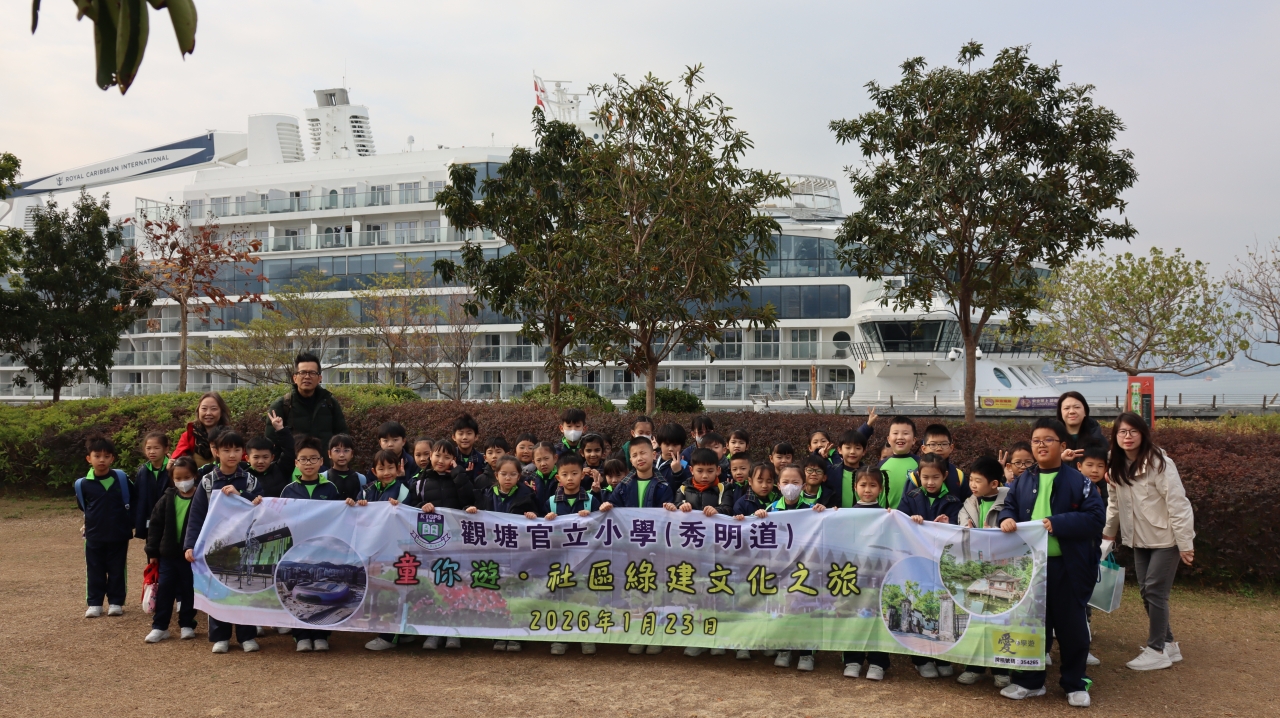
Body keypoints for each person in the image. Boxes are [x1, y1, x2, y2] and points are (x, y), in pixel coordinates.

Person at [999, 418, 1104, 708]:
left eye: (1048, 440)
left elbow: (1096, 518)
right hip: (1031, 567)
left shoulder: (1079, 481)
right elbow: (1008, 507)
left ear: (1062, 445)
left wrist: (1058, 523)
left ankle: (1075, 683)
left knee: (1072, 629)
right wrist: (1005, 518)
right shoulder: (1023, 480)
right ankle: (1029, 682)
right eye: (1036, 440)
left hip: (1068, 567)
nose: (1041, 445)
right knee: (1031, 626)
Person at [1103, 412, 1195, 671]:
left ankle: (1156, 650)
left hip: (1166, 538)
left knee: (1155, 591)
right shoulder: (1115, 463)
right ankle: (1168, 644)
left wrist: (1185, 543)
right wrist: (1109, 533)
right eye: (1122, 432)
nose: (1128, 436)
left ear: (1143, 434)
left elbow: (1178, 503)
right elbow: (1114, 503)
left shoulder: (1160, 463)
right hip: (1138, 538)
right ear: (1116, 436)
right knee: (1147, 591)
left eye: (1133, 431)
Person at [183, 429, 263, 654]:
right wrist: (190, 545)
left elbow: (261, 507)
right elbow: (196, 515)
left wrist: (241, 495)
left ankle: (247, 636)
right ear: (216, 452)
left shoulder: (250, 480)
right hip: (215, 545)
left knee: (245, 588)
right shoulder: (207, 481)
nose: (232, 455)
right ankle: (221, 636)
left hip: (245, 544)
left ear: (243, 453)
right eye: (226, 450)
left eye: (237, 450)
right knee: (218, 589)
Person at [599, 436, 673, 656]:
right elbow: (613, 505)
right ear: (630, 460)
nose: (639, 458)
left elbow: (668, 514)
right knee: (635, 590)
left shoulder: (663, 485)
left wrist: (672, 508)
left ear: (653, 455)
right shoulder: (624, 485)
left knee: (655, 589)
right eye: (634, 455)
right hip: (630, 548)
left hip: (655, 548)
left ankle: (656, 635)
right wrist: (607, 505)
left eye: (643, 453)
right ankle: (638, 634)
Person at [896, 452, 962, 679]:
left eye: (935, 477)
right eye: (925, 477)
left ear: (944, 476)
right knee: (920, 600)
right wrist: (911, 521)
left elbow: (959, 529)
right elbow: (900, 523)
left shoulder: (953, 501)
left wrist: (948, 523)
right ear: (918, 476)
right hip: (917, 561)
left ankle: (942, 657)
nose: (930, 482)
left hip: (942, 562)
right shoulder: (911, 497)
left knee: (942, 602)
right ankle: (921, 659)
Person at [467, 454, 540, 653]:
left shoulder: (527, 495)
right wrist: (470, 510)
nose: (508, 478)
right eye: (504, 474)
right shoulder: (485, 495)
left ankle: (516, 635)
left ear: (519, 476)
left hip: (517, 555)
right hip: (493, 554)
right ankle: (498, 634)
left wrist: (533, 516)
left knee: (516, 593)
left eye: (513, 474)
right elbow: (472, 515)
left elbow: (539, 520)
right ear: (496, 475)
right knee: (496, 593)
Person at [279, 436, 344, 652]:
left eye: (313, 458)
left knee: (320, 594)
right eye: (303, 459)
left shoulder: (331, 488)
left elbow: (340, 517)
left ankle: (321, 635)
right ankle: (301, 636)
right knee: (299, 594)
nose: (308, 463)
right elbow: (281, 520)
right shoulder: (289, 490)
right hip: (297, 551)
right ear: (296, 463)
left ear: (321, 461)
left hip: (323, 550)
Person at [954, 456, 1012, 687]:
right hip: (976, 570)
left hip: (1001, 567)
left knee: (1000, 619)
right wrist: (965, 529)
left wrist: (995, 533)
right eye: (971, 480)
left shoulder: (1009, 501)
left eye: (978, 481)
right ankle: (974, 667)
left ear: (994, 483)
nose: (973, 485)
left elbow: (1016, 528)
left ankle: (1001, 669)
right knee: (975, 618)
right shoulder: (969, 503)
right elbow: (961, 526)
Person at [761, 464, 826, 671]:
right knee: (783, 609)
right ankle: (784, 648)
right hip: (780, 570)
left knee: (806, 609)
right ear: (778, 486)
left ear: (803, 485)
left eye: (795, 482)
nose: (790, 486)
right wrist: (757, 516)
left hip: (806, 570)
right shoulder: (771, 510)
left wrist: (823, 513)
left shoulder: (812, 509)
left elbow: (825, 530)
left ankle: (807, 653)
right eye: (786, 482)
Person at [357, 449, 415, 652]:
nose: (387, 472)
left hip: (396, 550)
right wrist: (358, 504)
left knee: (394, 589)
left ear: (399, 469)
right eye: (381, 468)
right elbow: (357, 516)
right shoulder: (366, 491)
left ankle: (389, 636)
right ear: (374, 471)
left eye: (391, 467)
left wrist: (400, 508)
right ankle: (400, 632)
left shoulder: (404, 491)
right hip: (374, 548)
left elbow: (410, 515)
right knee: (378, 589)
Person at [542, 453, 600, 656]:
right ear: (558, 477)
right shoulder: (551, 502)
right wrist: (547, 519)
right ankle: (561, 637)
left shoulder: (591, 500)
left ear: (582, 475)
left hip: (585, 559)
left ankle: (586, 636)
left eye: (574, 473)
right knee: (561, 597)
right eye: (565, 474)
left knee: (585, 596)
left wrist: (592, 517)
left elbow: (602, 526)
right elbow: (539, 530)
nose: (570, 478)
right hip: (559, 559)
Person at [842, 467, 893, 680]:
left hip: (878, 575)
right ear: (855, 487)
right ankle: (852, 660)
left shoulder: (888, 516)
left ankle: (878, 662)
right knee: (852, 615)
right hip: (853, 574)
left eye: (873, 485)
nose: (867, 490)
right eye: (863, 485)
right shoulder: (845, 514)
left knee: (878, 617)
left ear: (880, 489)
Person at [78, 435, 136, 619]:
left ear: (112, 458)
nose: (101, 460)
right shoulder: (83, 484)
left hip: (119, 533)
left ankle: (116, 602)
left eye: (106, 456)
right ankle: (94, 603)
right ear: (89, 458)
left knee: (117, 569)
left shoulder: (122, 479)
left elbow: (133, 499)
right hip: (94, 534)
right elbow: (84, 506)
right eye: (97, 456)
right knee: (94, 569)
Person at [144, 456, 200, 643]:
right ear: (172, 479)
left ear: (195, 476)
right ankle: (160, 627)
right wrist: (152, 552)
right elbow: (155, 526)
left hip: (191, 557)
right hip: (167, 555)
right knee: (165, 590)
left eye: (187, 477)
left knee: (189, 590)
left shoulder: (201, 499)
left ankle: (187, 624)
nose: (183, 482)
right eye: (178, 478)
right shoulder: (167, 498)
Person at [265, 352, 349, 452]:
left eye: (312, 373)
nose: (307, 377)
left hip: (324, 461)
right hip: (293, 461)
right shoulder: (282, 405)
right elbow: (271, 445)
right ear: (295, 378)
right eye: (303, 372)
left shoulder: (330, 403)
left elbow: (343, 438)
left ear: (319, 378)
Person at [170, 391, 230, 468]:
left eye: (214, 409)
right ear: (198, 411)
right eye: (204, 409)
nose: (208, 413)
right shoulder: (188, 436)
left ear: (221, 412)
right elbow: (176, 464)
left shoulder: (230, 436)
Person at [915, 424, 971, 501]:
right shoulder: (915, 476)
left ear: (951, 448)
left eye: (944, 444)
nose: (939, 448)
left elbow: (967, 502)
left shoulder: (958, 475)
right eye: (933, 444)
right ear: (924, 448)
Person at [245, 411, 294, 498]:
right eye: (256, 457)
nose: (261, 461)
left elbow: (290, 451)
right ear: (247, 458)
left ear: (272, 457)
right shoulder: (243, 476)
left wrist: (280, 430)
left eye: (265, 457)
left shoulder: (280, 469)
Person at [135, 431, 171, 542]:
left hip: (169, 517)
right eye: (148, 448)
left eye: (156, 448)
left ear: (166, 449)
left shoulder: (173, 468)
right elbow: (137, 496)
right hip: (149, 518)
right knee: (151, 547)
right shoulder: (143, 471)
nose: (152, 451)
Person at [878, 416, 920, 510]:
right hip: (886, 515)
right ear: (889, 439)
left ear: (914, 440)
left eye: (905, 433)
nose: (900, 437)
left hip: (913, 517)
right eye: (895, 433)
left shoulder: (920, 464)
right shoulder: (881, 465)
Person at [1058, 391, 1105, 464]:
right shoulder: (1052, 439)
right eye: (1066, 408)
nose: (1072, 411)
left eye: (1077, 407)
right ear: (1060, 413)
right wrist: (1059, 460)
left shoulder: (1098, 439)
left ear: (1085, 411)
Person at [826, 429, 869, 509]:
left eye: (857, 448)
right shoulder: (832, 472)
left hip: (864, 515)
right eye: (848, 448)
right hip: (838, 516)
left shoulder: (870, 474)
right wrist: (818, 454)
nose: (852, 452)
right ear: (840, 450)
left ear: (864, 451)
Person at [325, 434, 367, 501]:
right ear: (329, 454)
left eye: (346, 450)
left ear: (352, 453)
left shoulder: (361, 479)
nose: (342, 455)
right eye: (337, 450)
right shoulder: (323, 478)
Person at [655, 423, 691, 493]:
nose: (670, 449)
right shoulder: (651, 461)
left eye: (675, 445)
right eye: (667, 444)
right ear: (659, 444)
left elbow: (686, 490)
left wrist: (678, 473)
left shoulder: (683, 465)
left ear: (681, 446)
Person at [452, 413, 485, 483]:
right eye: (461, 433)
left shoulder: (482, 459)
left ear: (476, 437)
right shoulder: (449, 457)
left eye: (469, 433)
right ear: (454, 437)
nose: (465, 437)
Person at [525, 441, 560, 505]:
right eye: (538, 460)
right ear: (534, 462)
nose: (543, 464)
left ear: (555, 458)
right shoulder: (530, 480)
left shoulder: (561, 478)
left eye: (546, 458)